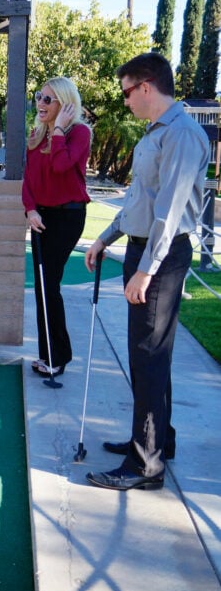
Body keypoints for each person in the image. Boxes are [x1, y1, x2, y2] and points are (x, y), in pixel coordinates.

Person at [84, 52, 209, 491]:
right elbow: (141, 198)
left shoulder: (182, 135)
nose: (125, 102)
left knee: (149, 357)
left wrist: (146, 271)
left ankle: (145, 466)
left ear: (147, 86)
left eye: (126, 92)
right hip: (143, 251)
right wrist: (106, 238)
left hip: (162, 256)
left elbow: (170, 211)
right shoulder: (157, 133)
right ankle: (156, 441)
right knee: (149, 355)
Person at [22, 76, 92, 377]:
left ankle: (57, 357)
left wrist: (60, 129)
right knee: (42, 285)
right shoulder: (37, 135)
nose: (40, 103)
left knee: (49, 284)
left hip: (68, 217)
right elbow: (28, 180)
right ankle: (49, 354)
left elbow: (61, 166)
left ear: (64, 105)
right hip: (42, 217)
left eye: (48, 99)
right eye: (39, 96)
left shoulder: (79, 133)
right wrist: (30, 210)